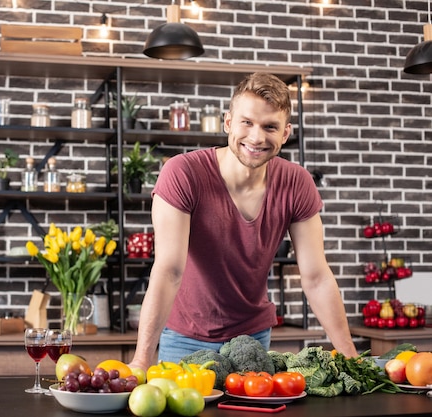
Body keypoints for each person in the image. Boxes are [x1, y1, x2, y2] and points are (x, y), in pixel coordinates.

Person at [128, 73, 358, 372]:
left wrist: (349, 353)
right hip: (184, 338)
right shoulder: (182, 173)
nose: (257, 137)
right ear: (228, 123)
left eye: (270, 127)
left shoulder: (296, 182)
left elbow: (316, 277)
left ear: (285, 133)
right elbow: (168, 270)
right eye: (246, 122)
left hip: (252, 340)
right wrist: (142, 359)